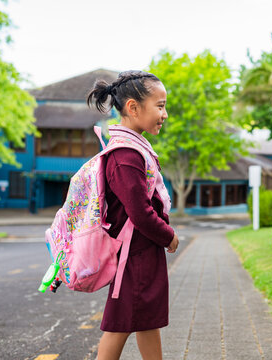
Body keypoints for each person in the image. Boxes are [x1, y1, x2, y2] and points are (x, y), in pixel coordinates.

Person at [87, 70, 179, 360]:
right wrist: (169, 236)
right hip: (134, 253)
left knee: (145, 319)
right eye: (160, 106)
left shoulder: (134, 148)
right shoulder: (125, 155)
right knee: (120, 324)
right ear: (133, 108)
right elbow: (140, 213)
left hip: (140, 251)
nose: (164, 114)